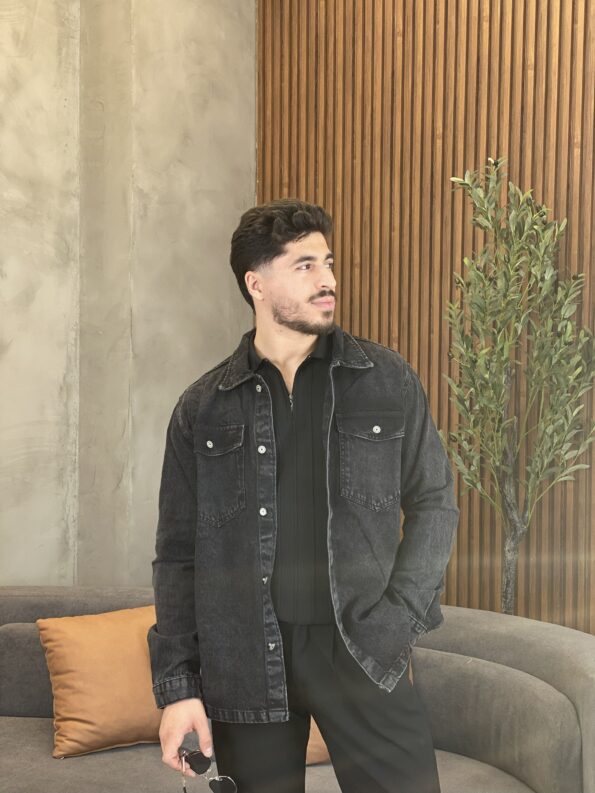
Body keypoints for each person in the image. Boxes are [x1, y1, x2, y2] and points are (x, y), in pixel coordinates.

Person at [147, 199, 459, 793]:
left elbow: (436, 504)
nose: (328, 280)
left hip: (361, 647)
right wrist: (179, 688)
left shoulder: (386, 380)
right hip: (245, 659)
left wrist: (397, 620)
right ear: (256, 284)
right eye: (305, 265)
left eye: (328, 263)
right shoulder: (202, 407)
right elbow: (178, 556)